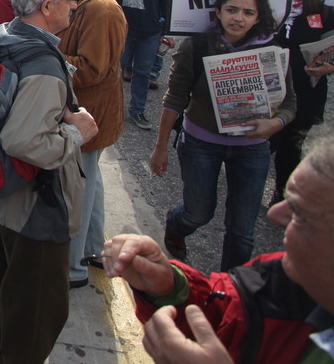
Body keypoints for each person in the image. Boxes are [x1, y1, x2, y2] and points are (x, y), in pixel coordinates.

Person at [104, 131, 334, 364]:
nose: (275, 214)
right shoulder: (287, 278)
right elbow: (228, 313)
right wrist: (172, 288)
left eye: (301, 214)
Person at [0, 0, 98, 364]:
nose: (75, 4)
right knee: (36, 315)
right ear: (48, 5)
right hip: (34, 206)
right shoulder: (43, 62)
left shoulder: (3, 37)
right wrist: (77, 133)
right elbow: (25, 140)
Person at [151, 0, 296, 272]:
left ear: (258, 17)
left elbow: (289, 103)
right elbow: (175, 97)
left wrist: (275, 123)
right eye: (231, 10)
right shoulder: (198, 45)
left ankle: (231, 292)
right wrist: (160, 146)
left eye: (247, 12)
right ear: (217, 12)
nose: (238, 18)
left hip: (253, 150)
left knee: (242, 231)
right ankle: (176, 223)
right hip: (201, 144)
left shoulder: (271, 49)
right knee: (198, 213)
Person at [46, 0, 127, 288]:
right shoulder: (84, 0)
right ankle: (93, 249)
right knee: (89, 184)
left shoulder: (102, 10)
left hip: (90, 113)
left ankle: (73, 269)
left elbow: (92, 69)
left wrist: (45, 56)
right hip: (86, 112)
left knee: (78, 190)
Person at [100, 0, 172, 130]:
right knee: (114, 70)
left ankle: (137, 110)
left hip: (149, 31)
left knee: (143, 72)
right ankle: (111, 109)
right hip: (121, 29)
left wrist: (167, 29)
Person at [272, 0, 333, 202]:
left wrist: (330, 67)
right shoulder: (268, 9)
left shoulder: (325, 12)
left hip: (307, 91)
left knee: (293, 144)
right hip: (272, 89)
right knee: (263, 142)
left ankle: (283, 192)